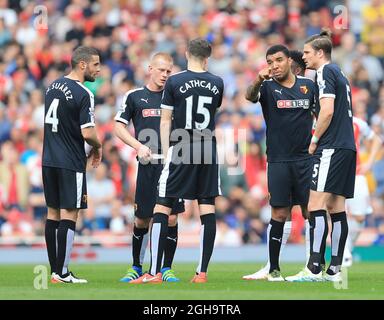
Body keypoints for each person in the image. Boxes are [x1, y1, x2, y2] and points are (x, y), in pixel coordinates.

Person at [130, 38, 224, 284]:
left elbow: (165, 120)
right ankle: (201, 273)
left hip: (181, 145)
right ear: (207, 58)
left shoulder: (175, 81)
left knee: (162, 206)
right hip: (207, 148)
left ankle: (154, 272)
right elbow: (212, 113)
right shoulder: (217, 83)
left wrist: (166, 149)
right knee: (207, 208)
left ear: (186, 53)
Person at [243, 45, 316, 281]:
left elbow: (323, 115)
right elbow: (249, 96)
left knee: (310, 211)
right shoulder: (267, 87)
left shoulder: (309, 86)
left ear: (289, 62)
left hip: (306, 159)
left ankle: (312, 267)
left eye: (278, 60)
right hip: (278, 159)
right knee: (279, 212)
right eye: (270, 61)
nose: (274, 65)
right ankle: (273, 269)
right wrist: (257, 79)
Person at [114, 52, 185, 283]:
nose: (165, 74)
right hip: (148, 165)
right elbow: (119, 127)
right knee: (142, 219)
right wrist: (138, 146)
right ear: (150, 68)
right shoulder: (135, 96)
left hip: (172, 167)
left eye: (169, 71)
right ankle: (136, 265)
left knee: (171, 218)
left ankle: (166, 268)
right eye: (161, 70)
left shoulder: (175, 96)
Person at [294, 29, 356, 282]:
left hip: (330, 146)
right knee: (336, 207)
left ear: (320, 53)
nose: (304, 57)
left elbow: (327, 111)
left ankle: (314, 268)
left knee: (315, 205)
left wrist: (315, 140)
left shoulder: (324, 72)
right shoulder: (340, 72)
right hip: (347, 146)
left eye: (307, 53)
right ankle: (335, 270)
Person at [42, 46, 102, 284]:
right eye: (96, 64)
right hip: (70, 160)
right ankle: (63, 272)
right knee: (70, 214)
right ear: (83, 65)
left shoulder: (52, 86)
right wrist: (99, 146)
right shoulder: (83, 93)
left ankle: (55, 271)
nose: (99, 69)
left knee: (52, 214)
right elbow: (87, 133)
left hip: (48, 159)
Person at [343, 116, 382, 266]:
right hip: (335, 173)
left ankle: (348, 248)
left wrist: (369, 163)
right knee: (338, 213)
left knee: (360, 217)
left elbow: (376, 140)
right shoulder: (327, 118)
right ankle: (344, 253)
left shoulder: (357, 122)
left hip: (357, 174)